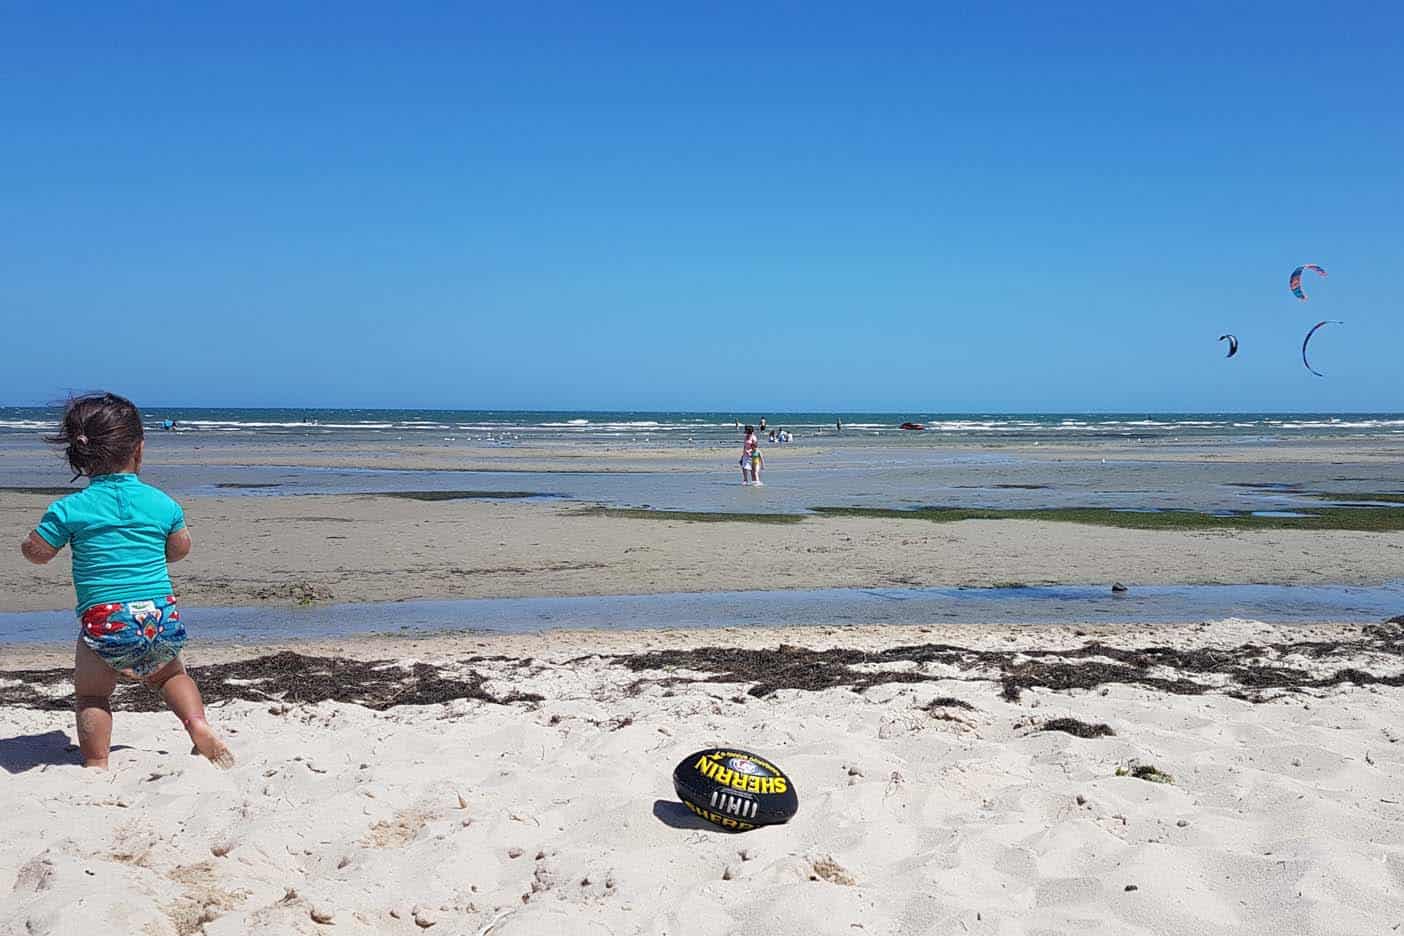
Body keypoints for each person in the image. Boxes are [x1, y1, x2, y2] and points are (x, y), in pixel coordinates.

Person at [19, 393, 234, 770]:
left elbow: (38, 553)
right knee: (172, 676)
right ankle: (197, 724)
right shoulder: (162, 503)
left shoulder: (70, 508)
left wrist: (29, 543)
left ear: (80, 452)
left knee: (92, 696)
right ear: (139, 449)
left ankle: (97, 763)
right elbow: (180, 548)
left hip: (106, 618)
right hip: (159, 614)